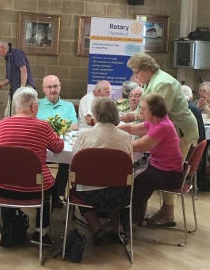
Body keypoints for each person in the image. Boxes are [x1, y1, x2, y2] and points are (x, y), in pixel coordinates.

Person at [121, 52, 198, 226]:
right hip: (170, 129)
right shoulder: (151, 80)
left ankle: (167, 213)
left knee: (166, 169)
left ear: (147, 69)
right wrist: (131, 117)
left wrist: (132, 120)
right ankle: (145, 212)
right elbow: (144, 111)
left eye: (137, 72)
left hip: (181, 130)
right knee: (150, 172)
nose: (135, 76)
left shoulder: (163, 82)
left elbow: (155, 112)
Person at [0, 87, 64, 246]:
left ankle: (9, 221)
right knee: (50, 184)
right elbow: (58, 148)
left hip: (1, 186)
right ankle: (40, 233)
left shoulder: (2, 124)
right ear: (33, 107)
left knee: (11, 173)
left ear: (16, 106)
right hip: (34, 188)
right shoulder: (43, 126)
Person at [73, 97, 133, 244]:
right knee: (115, 184)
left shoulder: (83, 136)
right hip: (119, 194)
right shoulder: (126, 137)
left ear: (95, 115)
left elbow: (74, 163)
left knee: (76, 189)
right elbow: (129, 165)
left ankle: (96, 228)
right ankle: (116, 228)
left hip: (88, 193)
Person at [119, 94, 184, 226]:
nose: (140, 111)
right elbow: (131, 128)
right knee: (135, 177)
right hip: (159, 168)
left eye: (143, 108)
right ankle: (131, 217)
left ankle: (126, 221)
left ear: (153, 110)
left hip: (169, 174)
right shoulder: (155, 122)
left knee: (136, 183)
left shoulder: (163, 126)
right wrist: (109, 130)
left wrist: (111, 141)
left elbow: (138, 146)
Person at [36, 75, 78, 208]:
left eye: (55, 86)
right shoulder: (36, 104)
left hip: (61, 143)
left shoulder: (68, 105)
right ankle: (41, 191)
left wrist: (55, 127)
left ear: (60, 88)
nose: (52, 90)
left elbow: (75, 126)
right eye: (49, 87)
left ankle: (58, 194)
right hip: (41, 145)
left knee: (66, 163)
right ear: (43, 89)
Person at [0, 40, 35, 116]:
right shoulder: (8, 59)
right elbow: (8, 79)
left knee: (18, 114)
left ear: (2, 48)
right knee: (8, 114)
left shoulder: (16, 53)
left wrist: (22, 88)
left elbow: (23, 70)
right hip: (15, 89)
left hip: (24, 87)